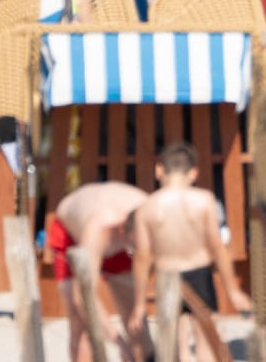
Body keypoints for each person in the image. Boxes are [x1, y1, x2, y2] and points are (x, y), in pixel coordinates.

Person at [128, 144, 250, 360]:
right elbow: (217, 247)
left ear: (159, 170)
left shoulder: (147, 207)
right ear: (193, 173)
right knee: (205, 344)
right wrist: (233, 290)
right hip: (200, 275)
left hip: (167, 277)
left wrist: (138, 304)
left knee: (173, 346)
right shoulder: (204, 200)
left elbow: (143, 258)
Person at [51, 181, 148, 362]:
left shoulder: (153, 215)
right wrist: (120, 343)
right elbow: (82, 298)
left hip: (120, 237)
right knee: (80, 322)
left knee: (136, 323)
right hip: (71, 235)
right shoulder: (99, 227)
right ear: (122, 231)